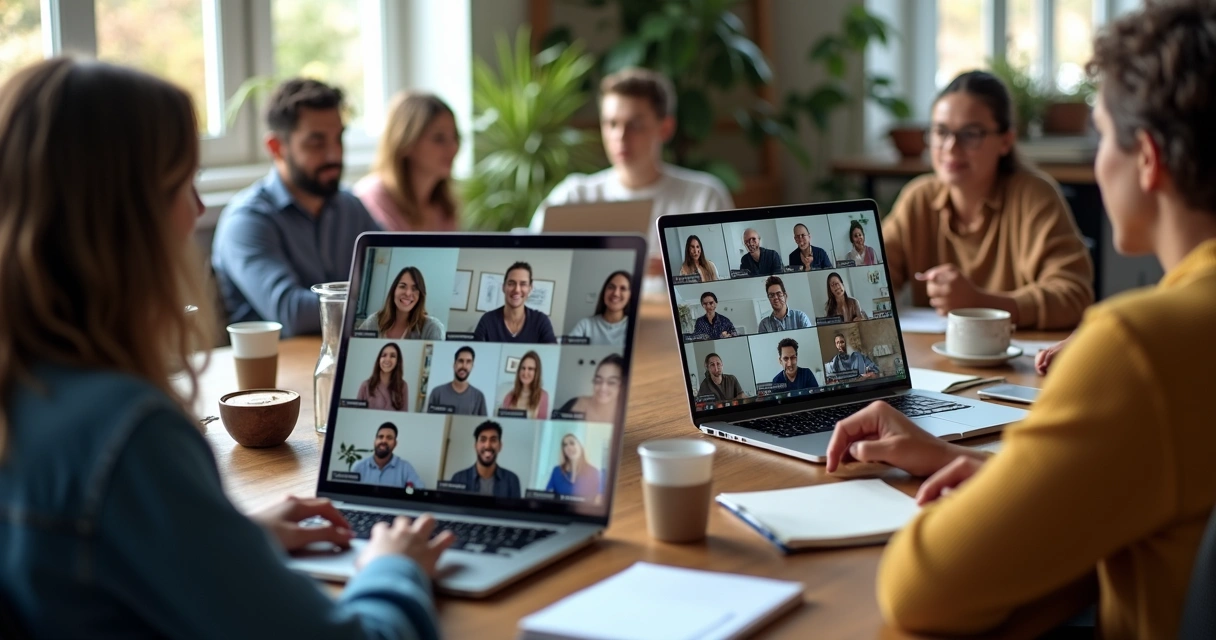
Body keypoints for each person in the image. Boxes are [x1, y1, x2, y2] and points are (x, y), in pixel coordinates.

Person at [0, 58, 451, 638]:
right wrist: (394, 569)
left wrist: (223, 536)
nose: (195, 210)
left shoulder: (28, 395)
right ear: (119, 217)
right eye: (180, 184)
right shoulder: (131, 437)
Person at [827, 4, 1216, 636]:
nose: (1095, 161)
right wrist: (1002, 474)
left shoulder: (1136, 348)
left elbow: (914, 589)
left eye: (1099, 135)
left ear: (1145, 157)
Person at [881, 70, 1095, 330]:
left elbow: (1074, 296)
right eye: (940, 131)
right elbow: (875, 280)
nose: (950, 147)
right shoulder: (918, 198)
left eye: (970, 134)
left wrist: (981, 303)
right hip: (935, 358)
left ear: (1005, 141)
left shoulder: (1034, 197)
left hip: (1021, 360)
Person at [212, 78, 380, 337]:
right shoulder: (247, 220)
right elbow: (292, 314)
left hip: (342, 360)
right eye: (316, 143)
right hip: (275, 371)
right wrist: (392, 302)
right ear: (276, 148)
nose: (334, 155)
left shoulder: (349, 206)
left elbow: (395, 266)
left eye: (339, 139)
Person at [529, 67, 733, 263]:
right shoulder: (573, 196)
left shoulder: (704, 198)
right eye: (611, 124)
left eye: (635, 125)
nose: (620, 136)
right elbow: (529, 261)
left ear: (666, 128)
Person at [355, 91, 460, 232]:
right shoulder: (372, 199)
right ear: (406, 142)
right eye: (439, 138)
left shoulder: (442, 207)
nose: (453, 148)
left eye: (455, 137)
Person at [473, 262, 557, 344]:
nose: (517, 290)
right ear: (503, 287)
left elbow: (553, 354)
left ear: (530, 289)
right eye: (511, 283)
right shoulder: (487, 320)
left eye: (523, 284)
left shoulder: (541, 321)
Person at [358, 266, 445, 339]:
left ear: (420, 295)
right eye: (402, 286)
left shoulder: (432, 328)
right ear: (394, 290)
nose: (408, 293)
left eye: (414, 289)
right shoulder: (373, 322)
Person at [447, 421, 522, 499]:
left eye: (493, 440)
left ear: (500, 446)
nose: (487, 445)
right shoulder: (458, 478)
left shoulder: (512, 480)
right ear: (476, 446)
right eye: (483, 440)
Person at [351, 423, 425, 488]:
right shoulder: (358, 466)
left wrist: (407, 492)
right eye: (380, 437)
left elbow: (419, 491)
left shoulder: (405, 468)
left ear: (395, 443)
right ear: (375, 441)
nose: (384, 441)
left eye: (389, 438)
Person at [557, 354, 625, 424]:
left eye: (611, 382)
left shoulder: (624, 418)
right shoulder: (574, 402)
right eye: (598, 380)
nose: (603, 388)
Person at [569, 271, 631, 346]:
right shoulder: (585, 325)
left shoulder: (635, 329)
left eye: (623, 289)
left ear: (630, 296)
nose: (615, 293)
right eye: (611, 287)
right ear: (604, 292)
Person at [426, 346, 487, 416]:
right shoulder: (437, 393)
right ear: (454, 364)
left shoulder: (479, 397)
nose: (464, 366)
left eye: (468, 362)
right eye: (461, 361)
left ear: (472, 366)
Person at [544, 434, 601, 498]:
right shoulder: (557, 471)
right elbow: (547, 496)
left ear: (580, 446)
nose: (569, 447)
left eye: (572, 443)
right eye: (565, 445)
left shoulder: (593, 472)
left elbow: (598, 500)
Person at [356, 343, 409, 411]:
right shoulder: (365, 385)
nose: (387, 359)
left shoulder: (403, 386)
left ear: (397, 361)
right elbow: (356, 413)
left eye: (392, 356)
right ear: (379, 360)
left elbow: (403, 416)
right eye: (384, 355)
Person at [500, 351, 550, 419]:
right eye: (523, 368)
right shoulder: (509, 396)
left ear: (537, 372)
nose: (525, 372)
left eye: (530, 369)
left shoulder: (543, 396)